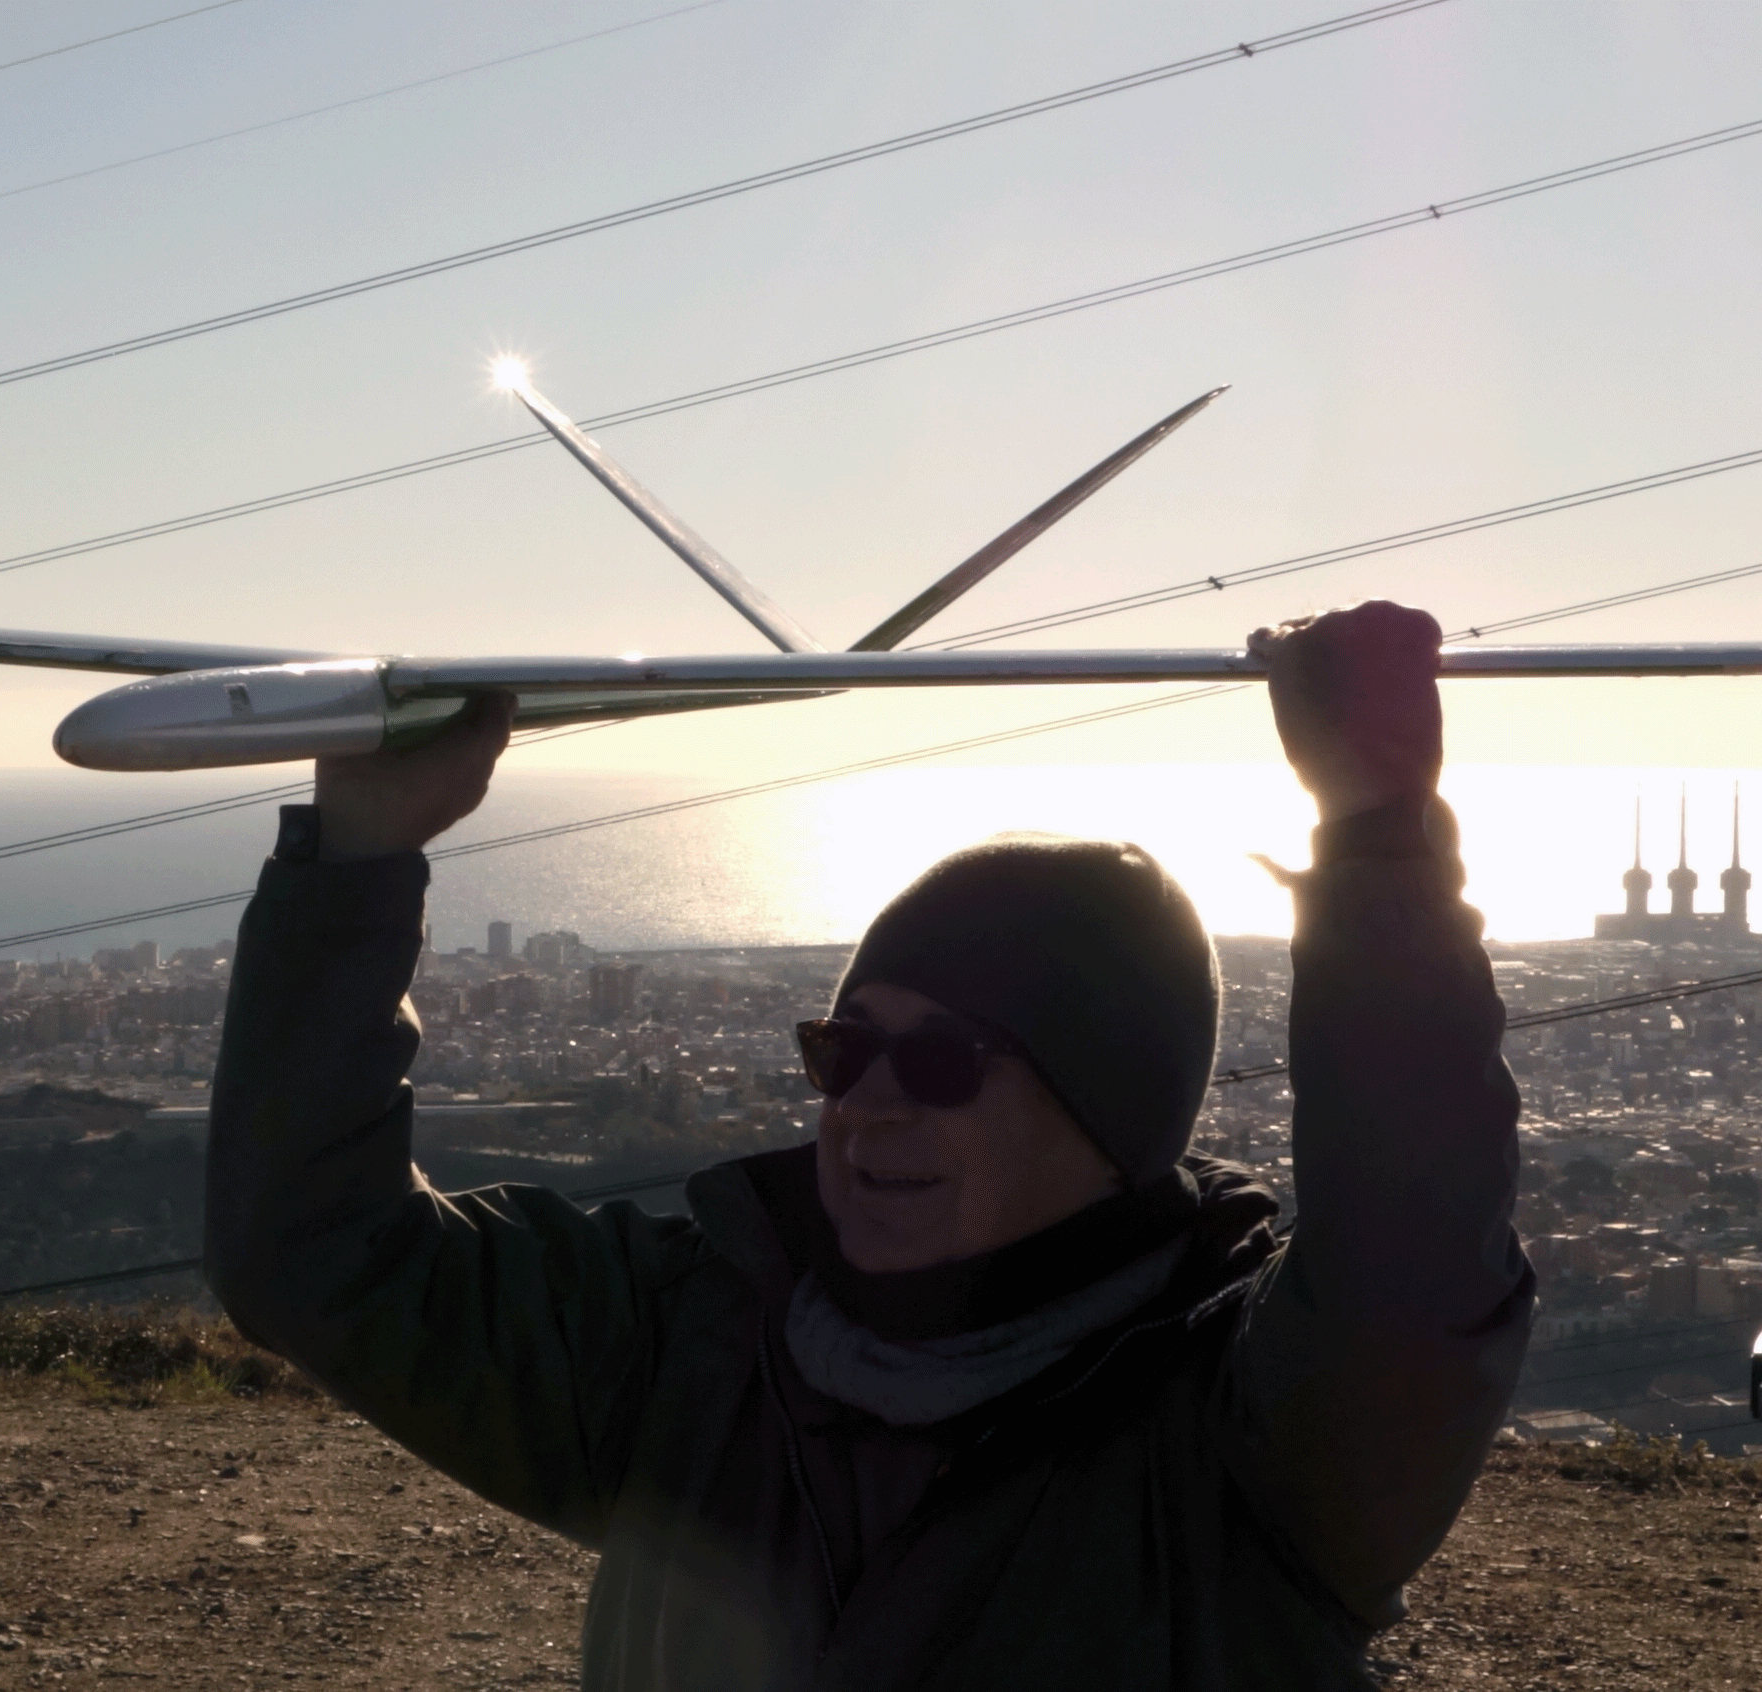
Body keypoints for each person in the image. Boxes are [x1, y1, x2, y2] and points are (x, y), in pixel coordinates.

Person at [206, 600, 1533, 1690]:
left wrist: (1375, 838)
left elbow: (1411, 1276)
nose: (871, 1105)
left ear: (1109, 1112)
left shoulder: (1244, 1449)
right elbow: (316, 1254)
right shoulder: (687, 1346)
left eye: (945, 1063)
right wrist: (361, 851)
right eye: (844, 1051)